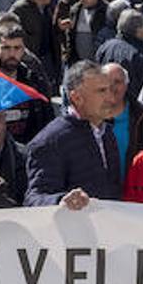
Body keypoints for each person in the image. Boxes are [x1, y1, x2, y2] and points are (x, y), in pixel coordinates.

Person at [24, 62, 121, 207]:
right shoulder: (50, 142)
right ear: (76, 98)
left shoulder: (106, 133)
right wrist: (60, 201)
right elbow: (34, 199)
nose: (111, 99)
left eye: (110, 90)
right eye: (101, 91)